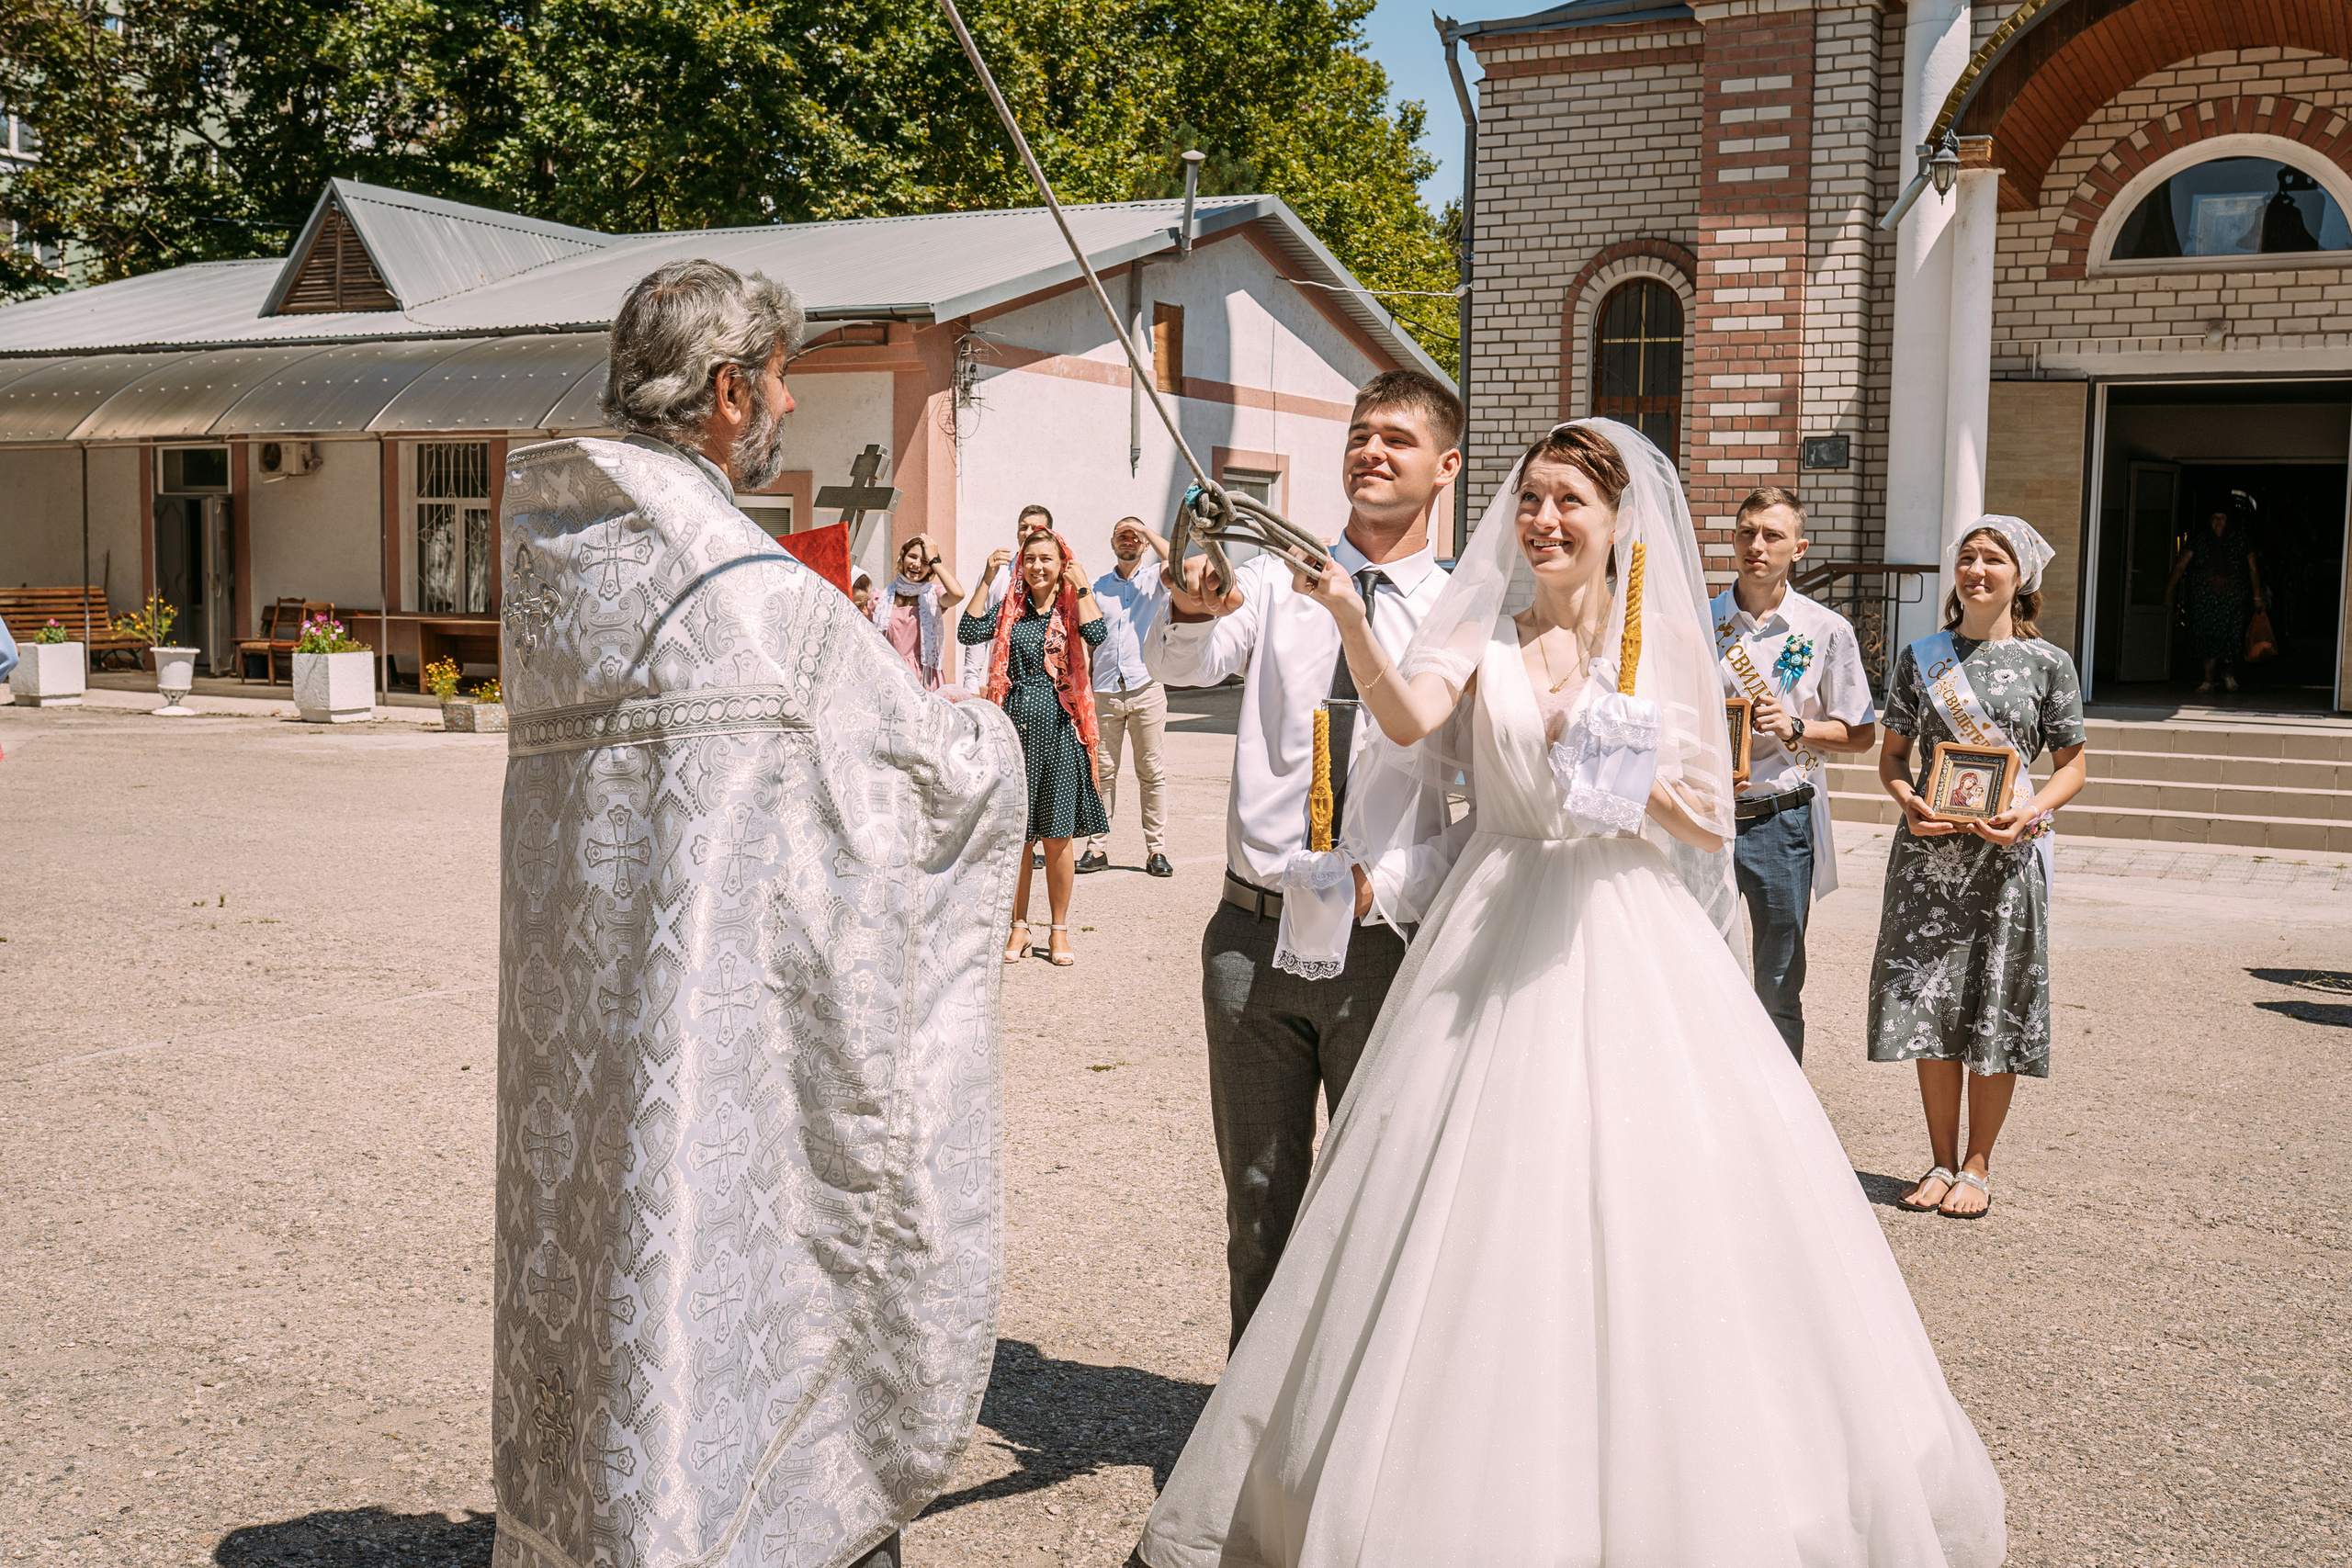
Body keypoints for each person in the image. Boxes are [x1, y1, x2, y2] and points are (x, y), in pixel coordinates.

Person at [1135, 419, 2006, 1568]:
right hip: (1489, 933)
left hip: (1627, 931)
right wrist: (1350, 618)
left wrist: (1627, 775)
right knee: (1457, 1200)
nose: (1545, 522)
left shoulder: (1657, 654)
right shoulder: (1483, 638)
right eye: (1532, 501)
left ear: (1614, 527)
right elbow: (1402, 719)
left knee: (1650, 1202)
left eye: (1569, 507)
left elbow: (1708, 811)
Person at [492, 258, 1026, 1568]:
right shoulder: (756, 592)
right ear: (730, 392)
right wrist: (993, 731)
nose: (789, 399)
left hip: (590, 1046)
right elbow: (924, 775)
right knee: (736, 1288)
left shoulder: (564, 559)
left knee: (609, 1269)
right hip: (724, 1055)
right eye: (780, 376)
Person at [1142, 367, 1473, 1348]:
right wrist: (1196, 608)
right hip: (1251, 934)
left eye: (1397, 440)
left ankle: (1351, 1432)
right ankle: (1248, 1437)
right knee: (1257, 1203)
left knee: (1377, 1202)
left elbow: (1485, 809)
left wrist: (1391, 881)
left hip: (1379, 946)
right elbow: (1179, 666)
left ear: (1444, 467)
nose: (1370, 451)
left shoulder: (1459, 611)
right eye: (1359, 434)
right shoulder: (1282, 578)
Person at [1871, 515, 2089, 1222]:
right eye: (1967, 558)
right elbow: (1893, 757)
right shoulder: (1921, 656)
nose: (1977, 570)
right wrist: (1908, 803)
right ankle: (1938, 1157)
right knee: (1934, 1003)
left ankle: (1977, 1164)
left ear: (2020, 577)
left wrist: (2030, 813)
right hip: (1929, 860)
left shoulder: (2051, 664)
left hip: (2007, 856)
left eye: (1993, 559)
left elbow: (2073, 767)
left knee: (1993, 1003)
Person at [1710, 486, 1877, 1060]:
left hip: (1781, 823)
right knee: (1698, 968)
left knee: (1778, 984)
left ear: (1799, 548)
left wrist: (1798, 728)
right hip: (1703, 818)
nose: (1756, 545)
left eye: (1772, 535)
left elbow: (1860, 734)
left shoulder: (1826, 630)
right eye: (1746, 532)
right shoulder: (1698, 621)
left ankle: (1780, 1123)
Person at [960, 525, 1107, 965]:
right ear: (1020, 566)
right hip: (1015, 733)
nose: (1037, 567)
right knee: (1019, 839)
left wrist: (1081, 586)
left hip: (1062, 733)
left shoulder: (1071, 606)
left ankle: (1059, 930)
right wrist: (987, 579)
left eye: (1047, 559)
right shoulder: (1011, 609)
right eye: (1030, 559)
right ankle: (1019, 927)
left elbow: (1097, 636)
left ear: (1062, 563)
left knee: (1057, 838)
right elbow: (969, 630)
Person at [1081, 515, 1174, 877]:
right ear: (1113, 542)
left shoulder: (1156, 580)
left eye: (1135, 537)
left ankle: (1156, 849)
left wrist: (1147, 528)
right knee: (1102, 774)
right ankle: (1097, 847)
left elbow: (1177, 562)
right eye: (1122, 535)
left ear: (1145, 544)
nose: (1129, 541)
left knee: (1151, 773)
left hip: (1146, 687)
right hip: (1105, 690)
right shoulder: (1097, 587)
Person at [2165, 508, 2267, 694]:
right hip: (2205, 602)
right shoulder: (2200, 541)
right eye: (2215, 518)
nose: (2219, 522)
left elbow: (2253, 569)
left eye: (2223, 518)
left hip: (2233, 602)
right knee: (2206, 639)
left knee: (2231, 638)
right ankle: (2208, 679)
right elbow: (2181, 565)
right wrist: (2169, 592)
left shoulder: (2241, 541)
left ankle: (2228, 674)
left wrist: (2257, 596)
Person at [866, 531, 966, 690]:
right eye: (912, 556)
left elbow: (958, 594)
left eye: (925, 562)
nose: (917, 565)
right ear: (902, 557)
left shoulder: (933, 597)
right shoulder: (880, 599)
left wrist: (935, 560)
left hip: (923, 678)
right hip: (890, 677)